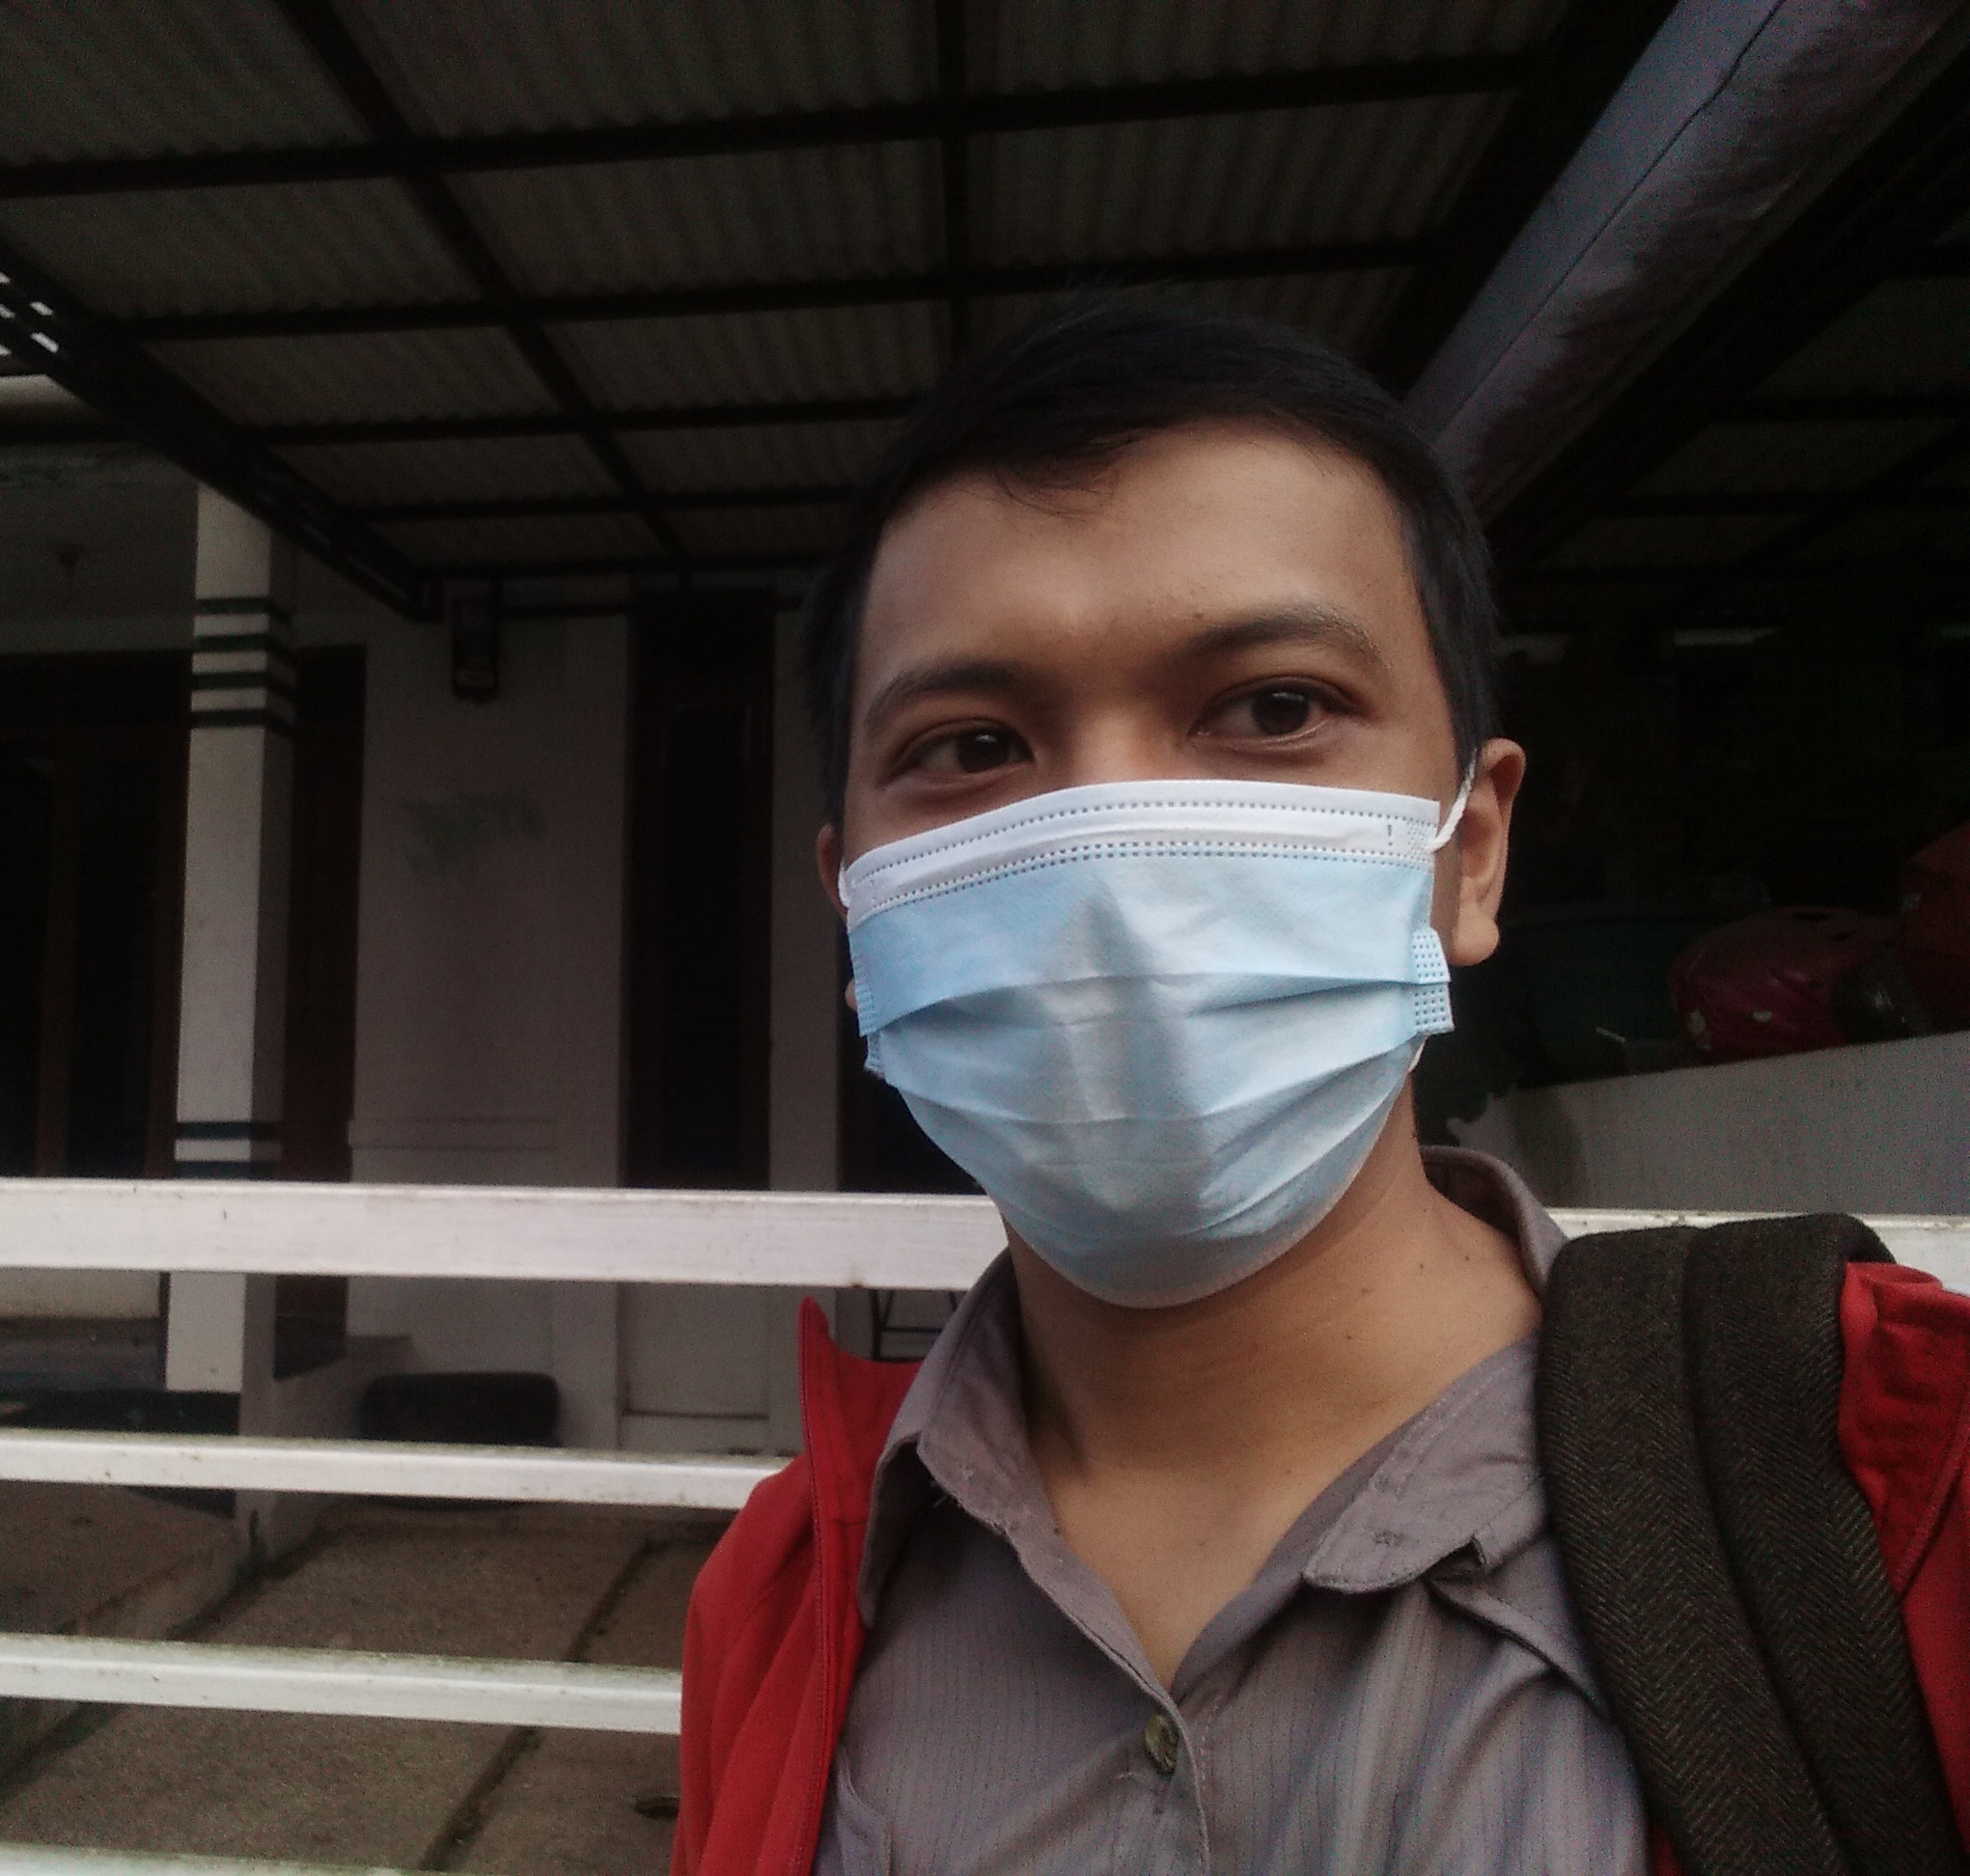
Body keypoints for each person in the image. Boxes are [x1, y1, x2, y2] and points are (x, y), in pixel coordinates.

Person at [671, 299, 1970, 1876]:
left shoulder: (1896, 1474)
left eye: (1273, 708)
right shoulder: (777, 1597)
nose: (1116, 864)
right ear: (859, 910)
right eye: (971, 744)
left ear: (1470, 851)